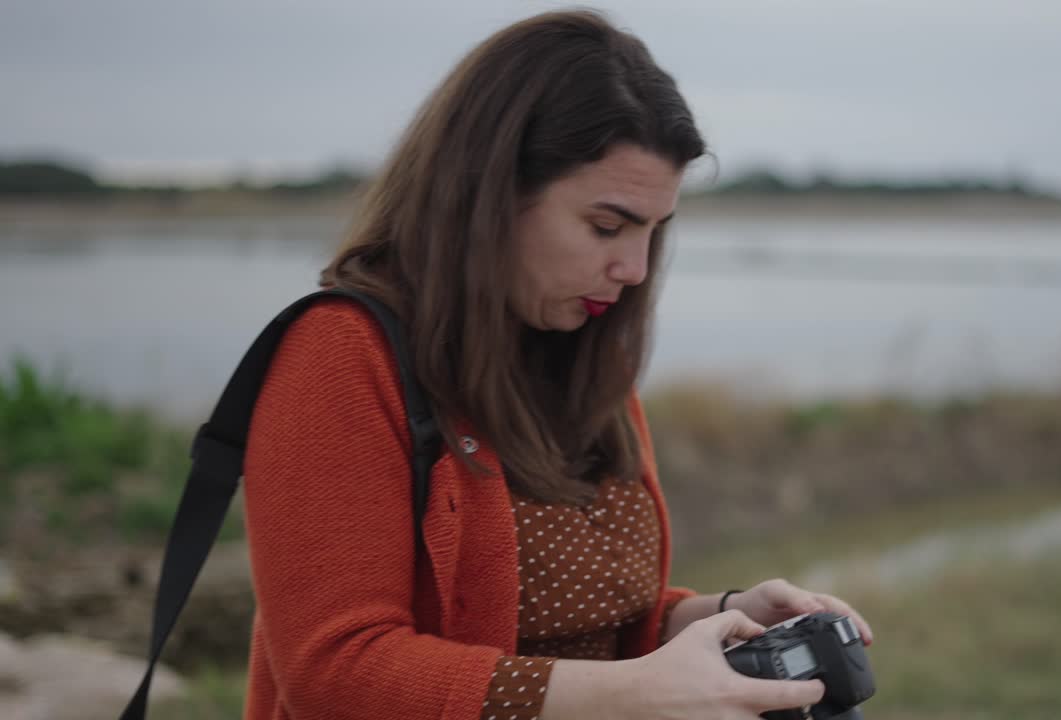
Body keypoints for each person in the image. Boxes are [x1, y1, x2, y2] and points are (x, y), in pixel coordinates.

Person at [241, 9, 873, 720]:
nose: (634, 269)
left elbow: (593, 631)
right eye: (606, 227)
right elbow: (335, 673)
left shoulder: (581, 359)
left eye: (653, 233)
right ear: (488, 194)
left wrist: (717, 618)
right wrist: (635, 694)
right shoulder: (341, 356)